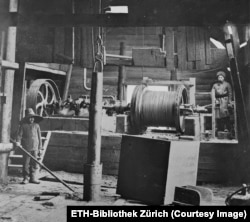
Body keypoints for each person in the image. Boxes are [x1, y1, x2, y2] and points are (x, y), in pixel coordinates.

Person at [15, 108, 43, 184]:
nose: (31, 119)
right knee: (26, 163)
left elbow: (39, 137)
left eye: (32, 117)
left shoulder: (37, 125)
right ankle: (26, 178)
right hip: (26, 147)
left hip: (35, 147)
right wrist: (18, 142)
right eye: (29, 117)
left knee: (34, 163)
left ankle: (33, 177)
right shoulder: (23, 126)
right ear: (27, 118)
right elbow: (19, 136)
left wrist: (40, 148)